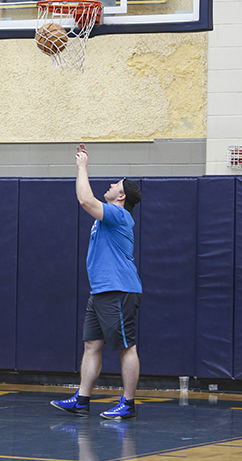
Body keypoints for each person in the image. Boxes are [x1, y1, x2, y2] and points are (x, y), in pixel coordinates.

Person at [51, 144, 142, 420]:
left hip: (119, 289)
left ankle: (128, 403)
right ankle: (82, 399)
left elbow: (85, 201)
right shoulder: (108, 217)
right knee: (91, 345)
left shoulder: (118, 214)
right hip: (101, 291)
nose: (111, 184)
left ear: (121, 195)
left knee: (126, 346)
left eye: (116, 184)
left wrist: (82, 167)